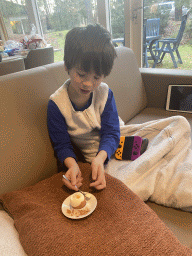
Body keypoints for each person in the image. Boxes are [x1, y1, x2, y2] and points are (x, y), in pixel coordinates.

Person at [47, 23, 120, 191]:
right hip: (92, 157)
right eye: (81, 74)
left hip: (108, 150)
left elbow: (112, 132)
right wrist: (72, 166)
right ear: (67, 65)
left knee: (178, 123)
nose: (88, 83)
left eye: (97, 77)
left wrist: (100, 159)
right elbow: (61, 145)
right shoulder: (56, 104)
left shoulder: (105, 93)